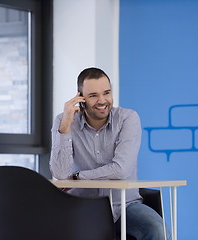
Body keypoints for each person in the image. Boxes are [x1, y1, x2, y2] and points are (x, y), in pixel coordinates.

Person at [49, 67, 168, 240]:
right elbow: (60, 173)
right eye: (93, 95)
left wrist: (78, 177)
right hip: (81, 207)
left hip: (124, 206)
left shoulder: (128, 118)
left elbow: (121, 170)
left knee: (157, 230)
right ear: (80, 98)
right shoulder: (64, 120)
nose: (102, 100)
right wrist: (66, 125)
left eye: (106, 92)